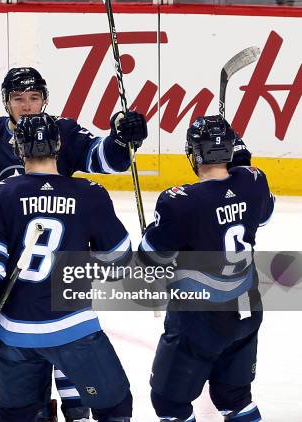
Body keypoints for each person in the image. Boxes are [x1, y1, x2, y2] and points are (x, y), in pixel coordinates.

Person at [0, 66, 147, 421]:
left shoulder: (63, 131)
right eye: (18, 98)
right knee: (70, 368)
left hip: (33, 276)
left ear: (45, 100)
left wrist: (120, 139)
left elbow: (104, 157)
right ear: (6, 102)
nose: (26, 105)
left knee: (34, 390)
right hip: (21, 274)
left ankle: (67, 407)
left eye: (34, 98)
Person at [0, 113, 134, 422]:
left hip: (14, 333)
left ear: (19, 149)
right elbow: (119, 262)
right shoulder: (90, 194)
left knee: (17, 416)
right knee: (115, 407)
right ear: (60, 145)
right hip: (74, 329)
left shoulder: (0, 194)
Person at [139, 115, 274, 422]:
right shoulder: (254, 180)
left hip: (199, 320)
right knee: (234, 398)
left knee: (169, 403)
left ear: (192, 154)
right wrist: (240, 166)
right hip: (246, 309)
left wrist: (152, 234)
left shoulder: (179, 201)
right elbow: (262, 217)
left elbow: (151, 260)